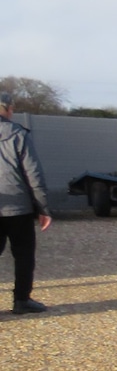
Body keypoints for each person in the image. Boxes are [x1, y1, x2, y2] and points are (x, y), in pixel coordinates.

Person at [1, 90, 52, 314]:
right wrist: (42, 207)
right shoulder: (18, 134)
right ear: (8, 109)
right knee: (23, 254)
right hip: (18, 208)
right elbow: (33, 172)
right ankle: (21, 300)